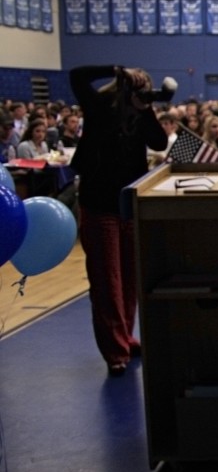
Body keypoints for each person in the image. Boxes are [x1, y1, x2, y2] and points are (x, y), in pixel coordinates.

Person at [69, 65, 168, 376]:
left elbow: (159, 143)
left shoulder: (139, 115)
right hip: (99, 204)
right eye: (137, 89)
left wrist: (146, 109)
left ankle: (124, 336)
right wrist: (116, 70)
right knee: (107, 281)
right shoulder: (98, 107)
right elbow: (77, 75)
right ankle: (115, 351)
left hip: (127, 203)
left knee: (128, 278)